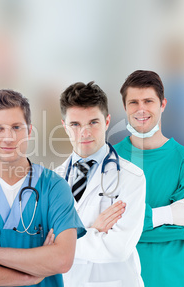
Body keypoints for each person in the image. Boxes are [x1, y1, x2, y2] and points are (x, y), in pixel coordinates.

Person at [0, 89, 86, 286]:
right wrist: (28, 276)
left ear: (29, 131)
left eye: (16, 127)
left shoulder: (54, 187)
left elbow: (62, 259)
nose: (8, 137)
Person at [114, 70, 184, 287]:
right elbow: (104, 225)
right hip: (120, 278)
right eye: (133, 102)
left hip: (172, 278)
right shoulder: (109, 160)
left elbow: (183, 228)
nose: (141, 109)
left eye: (148, 101)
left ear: (163, 104)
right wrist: (168, 214)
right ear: (125, 107)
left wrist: (126, 227)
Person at [54, 81, 146, 286]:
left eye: (93, 122)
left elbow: (118, 247)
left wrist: (62, 244)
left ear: (107, 122)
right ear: (64, 126)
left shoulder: (132, 178)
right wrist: (93, 232)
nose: (84, 133)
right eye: (75, 124)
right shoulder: (52, 180)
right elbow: (40, 244)